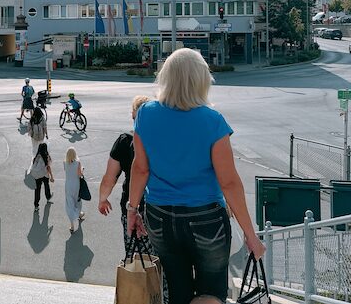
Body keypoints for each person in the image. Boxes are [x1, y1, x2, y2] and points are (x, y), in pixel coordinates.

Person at [127, 48, 265, 304]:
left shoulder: (145, 113)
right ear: (201, 79)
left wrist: (132, 210)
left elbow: (140, 168)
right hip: (206, 218)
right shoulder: (212, 121)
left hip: (159, 216)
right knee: (211, 293)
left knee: (176, 291)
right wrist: (250, 234)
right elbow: (229, 182)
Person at [98, 94, 151, 254]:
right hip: (161, 208)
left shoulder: (125, 141)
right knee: (162, 261)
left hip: (132, 208)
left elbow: (109, 178)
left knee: (135, 258)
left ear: (134, 116)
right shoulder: (164, 140)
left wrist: (102, 199)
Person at [64, 146, 85, 233]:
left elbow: (67, 171)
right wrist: (82, 169)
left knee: (69, 203)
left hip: (68, 185)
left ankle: (72, 225)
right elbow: (79, 175)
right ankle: (79, 213)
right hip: (76, 184)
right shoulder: (78, 163)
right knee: (77, 200)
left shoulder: (64, 163)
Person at [31, 142, 54, 210]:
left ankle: (36, 205)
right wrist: (52, 177)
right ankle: (48, 198)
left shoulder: (36, 157)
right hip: (44, 174)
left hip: (37, 175)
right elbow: (48, 167)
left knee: (37, 189)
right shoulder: (46, 156)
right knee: (46, 185)